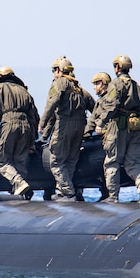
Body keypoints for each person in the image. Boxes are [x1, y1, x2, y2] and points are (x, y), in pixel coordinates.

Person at [0, 66, 40, 198]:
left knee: (0, 159)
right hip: (26, 126)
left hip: (9, 122)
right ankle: (20, 193)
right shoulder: (24, 91)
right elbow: (34, 117)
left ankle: (19, 183)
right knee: (19, 160)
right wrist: (32, 140)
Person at [94, 55, 140, 203]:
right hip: (135, 126)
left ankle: (113, 196)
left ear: (118, 67)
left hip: (118, 127)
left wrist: (100, 123)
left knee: (112, 161)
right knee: (133, 162)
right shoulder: (136, 85)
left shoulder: (115, 84)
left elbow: (112, 106)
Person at [38, 56, 88, 201]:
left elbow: (51, 104)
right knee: (71, 160)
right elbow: (94, 104)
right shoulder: (78, 87)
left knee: (56, 162)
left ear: (59, 70)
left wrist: (42, 123)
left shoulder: (59, 83)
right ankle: (63, 191)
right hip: (80, 127)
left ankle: (68, 193)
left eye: (54, 70)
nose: (54, 73)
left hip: (65, 125)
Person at [83, 72, 112, 201]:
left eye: (96, 84)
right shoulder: (104, 100)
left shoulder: (106, 101)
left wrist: (85, 135)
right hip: (108, 138)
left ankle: (110, 194)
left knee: (109, 165)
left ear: (102, 84)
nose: (94, 87)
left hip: (108, 138)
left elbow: (93, 121)